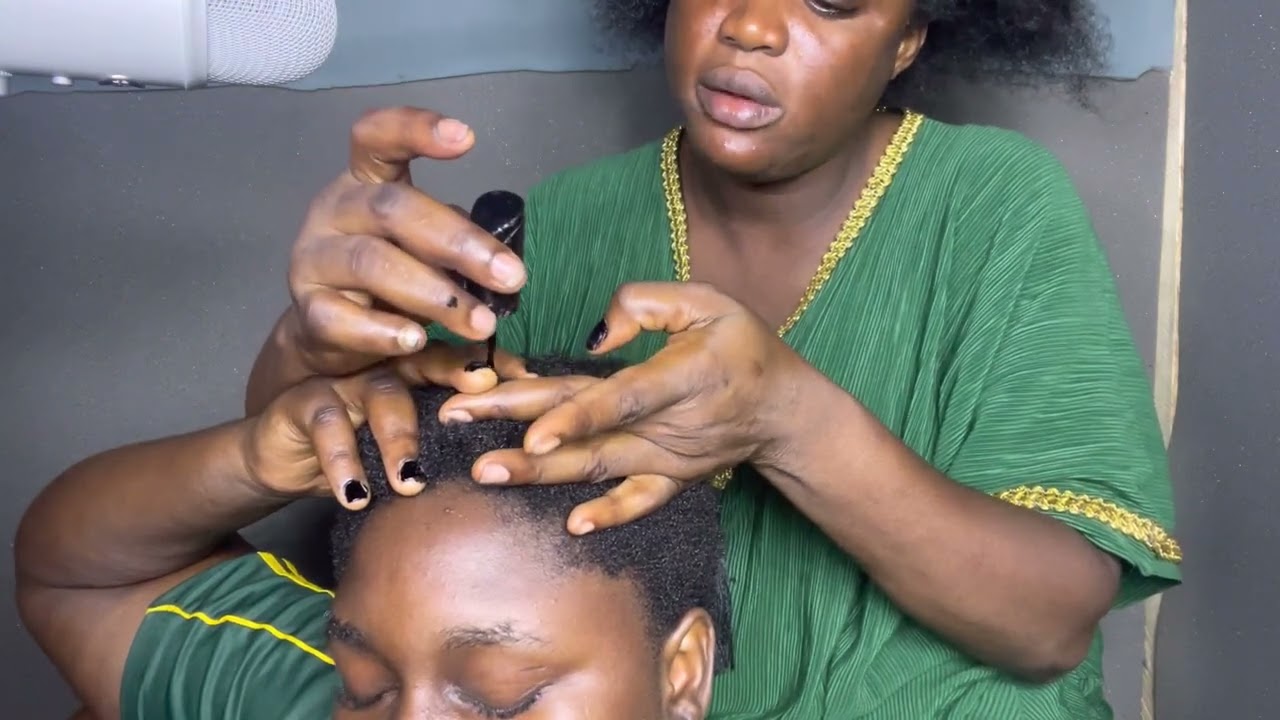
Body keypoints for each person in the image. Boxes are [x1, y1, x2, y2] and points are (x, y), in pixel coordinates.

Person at [187, 1, 1178, 718]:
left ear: (908, 38)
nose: (749, 26)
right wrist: (310, 345)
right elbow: (342, 464)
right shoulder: (565, 221)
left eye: (829, 0)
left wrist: (789, 421)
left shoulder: (996, 206)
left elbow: (1049, 625)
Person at [15, 355, 732, 719]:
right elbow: (77, 583)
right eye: (364, 688)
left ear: (681, 676)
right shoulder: (298, 692)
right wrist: (254, 461)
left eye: (498, 698)